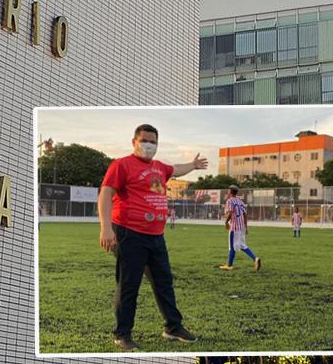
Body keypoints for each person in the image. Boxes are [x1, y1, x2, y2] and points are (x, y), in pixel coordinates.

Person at [98, 123, 207, 351]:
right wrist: (106, 228)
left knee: (164, 282)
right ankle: (122, 334)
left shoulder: (159, 167)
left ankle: (172, 327)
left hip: (156, 236)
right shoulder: (121, 165)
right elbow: (106, 194)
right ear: (134, 142)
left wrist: (194, 165)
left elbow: (176, 169)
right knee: (129, 285)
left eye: (153, 142)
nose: (149, 145)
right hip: (129, 234)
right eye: (145, 141)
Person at [219, 186, 260, 272]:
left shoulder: (230, 201)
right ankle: (255, 259)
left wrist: (226, 222)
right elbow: (245, 215)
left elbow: (230, 213)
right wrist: (246, 227)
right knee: (242, 245)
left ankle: (229, 265)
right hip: (241, 227)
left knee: (232, 247)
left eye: (228, 191)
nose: (228, 193)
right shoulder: (241, 201)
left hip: (234, 227)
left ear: (231, 192)